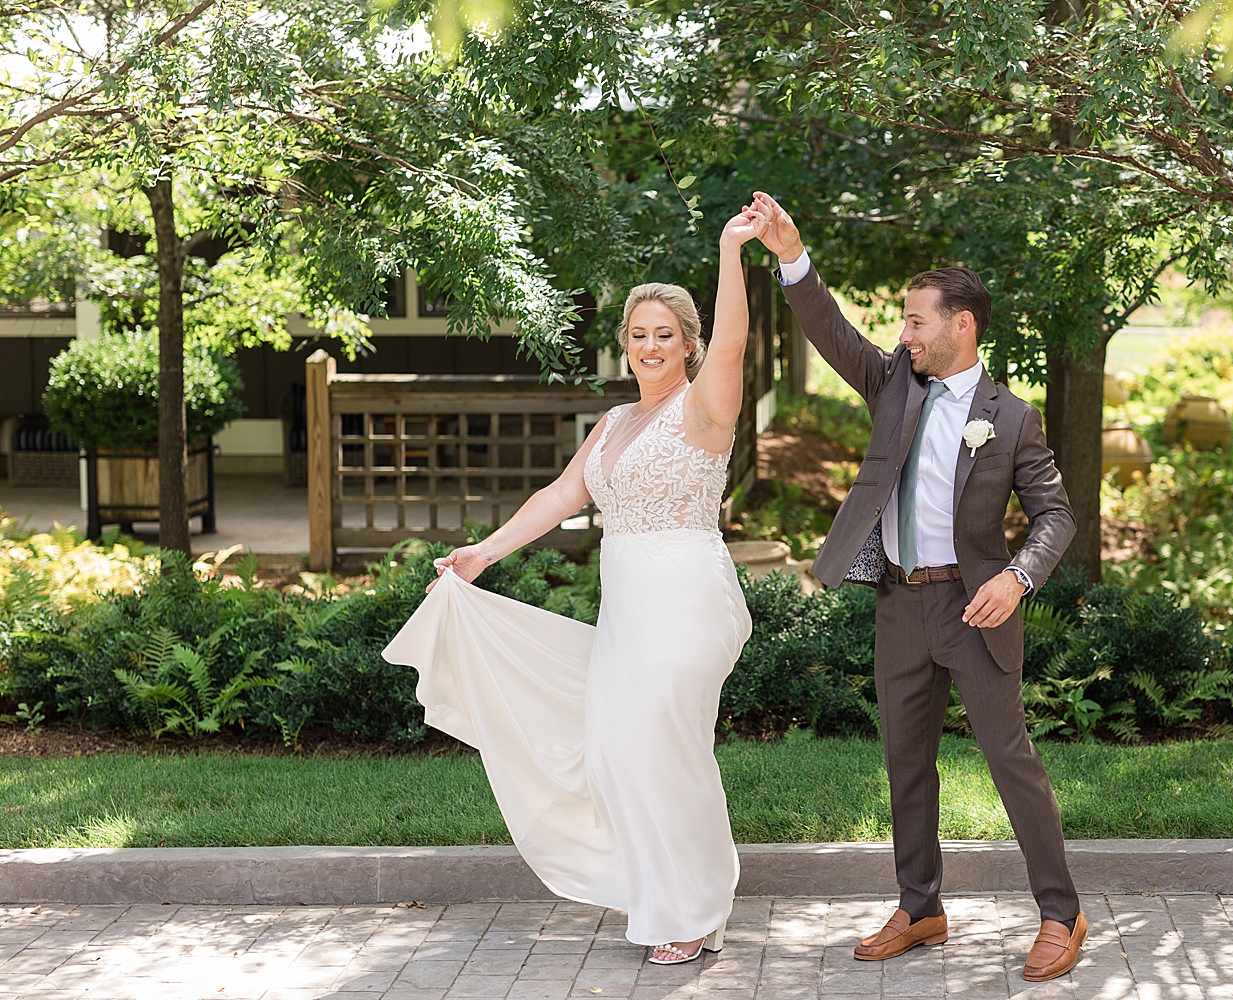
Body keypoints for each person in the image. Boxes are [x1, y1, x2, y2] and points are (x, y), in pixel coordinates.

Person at [382, 205, 769, 965]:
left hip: (687, 597)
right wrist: (481, 555)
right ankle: (684, 896)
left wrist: (731, 250)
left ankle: (691, 908)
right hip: (629, 607)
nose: (651, 346)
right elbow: (560, 498)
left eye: (666, 334)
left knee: (664, 748)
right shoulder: (616, 420)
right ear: (624, 344)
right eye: (638, 334)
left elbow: (737, 340)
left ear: (689, 344)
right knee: (623, 749)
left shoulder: (705, 406)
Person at [748, 192, 1088, 981]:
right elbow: (831, 333)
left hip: (974, 607)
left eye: (915, 320)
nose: (903, 333)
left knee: (1010, 759)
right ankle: (920, 904)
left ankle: (1061, 914)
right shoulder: (895, 383)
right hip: (899, 602)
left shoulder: (1012, 419)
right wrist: (790, 253)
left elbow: (1055, 514)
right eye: (902, 323)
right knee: (906, 760)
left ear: (960, 324)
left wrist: (1019, 575)